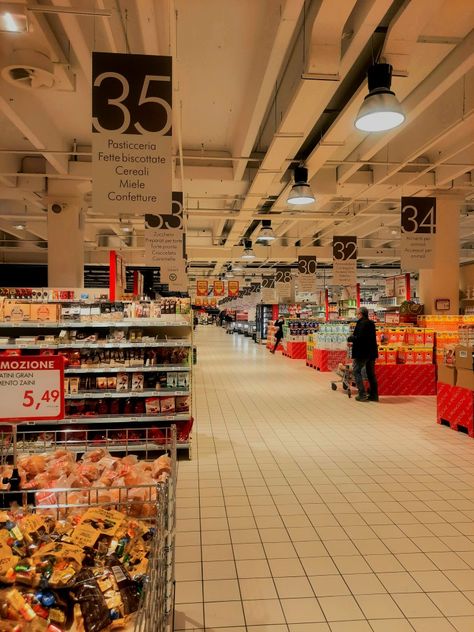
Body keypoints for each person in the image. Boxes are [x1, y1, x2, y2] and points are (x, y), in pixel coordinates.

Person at [347, 306, 378, 402]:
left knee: (356, 371)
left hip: (363, 352)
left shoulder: (361, 323)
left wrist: (350, 338)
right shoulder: (371, 323)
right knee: (371, 374)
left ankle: (362, 394)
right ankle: (374, 395)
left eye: (357, 313)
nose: (357, 315)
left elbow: (360, 338)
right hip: (372, 352)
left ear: (360, 314)